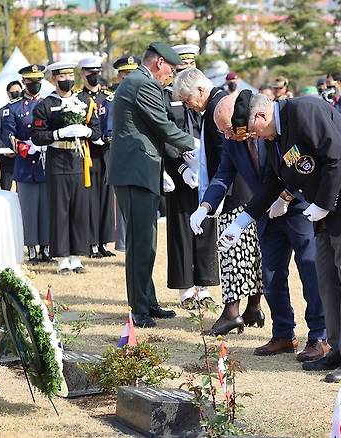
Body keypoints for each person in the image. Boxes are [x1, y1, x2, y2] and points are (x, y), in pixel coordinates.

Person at [218, 92, 341, 382]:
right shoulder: (274, 137)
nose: (253, 138)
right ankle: (336, 348)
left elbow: (336, 155)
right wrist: (242, 221)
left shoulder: (304, 110)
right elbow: (274, 181)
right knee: (327, 279)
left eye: (252, 130)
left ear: (261, 116)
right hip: (324, 205)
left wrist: (323, 203)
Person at [191, 92, 328, 361]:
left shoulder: (271, 130)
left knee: (310, 270)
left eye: (230, 130)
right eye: (223, 133)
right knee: (271, 275)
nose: (228, 137)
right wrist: (205, 206)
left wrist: (286, 196)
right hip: (264, 212)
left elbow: (300, 165)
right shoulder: (234, 140)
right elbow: (223, 174)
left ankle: (320, 335)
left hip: (298, 206)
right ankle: (283, 333)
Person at [107, 43, 198, 327]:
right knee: (140, 243)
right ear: (159, 62)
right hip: (135, 172)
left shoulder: (139, 81)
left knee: (147, 242)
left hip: (141, 170)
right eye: (170, 69)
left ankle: (148, 301)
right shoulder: (142, 83)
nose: (170, 75)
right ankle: (139, 309)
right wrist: (194, 145)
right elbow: (162, 124)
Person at [173, 68, 261, 336]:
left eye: (188, 99)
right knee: (251, 254)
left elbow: (227, 157)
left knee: (232, 253)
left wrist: (218, 197)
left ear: (200, 90)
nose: (188, 105)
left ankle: (232, 312)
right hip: (244, 190)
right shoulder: (217, 103)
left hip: (234, 192)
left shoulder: (217, 110)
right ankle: (253, 306)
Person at [162, 46, 219, 308]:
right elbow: (165, 134)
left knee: (206, 226)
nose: (186, 69)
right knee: (181, 229)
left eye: (190, 65)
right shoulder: (166, 97)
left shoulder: (205, 96)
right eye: (182, 65)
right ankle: (185, 289)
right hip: (178, 170)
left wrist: (201, 164)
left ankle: (205, 286)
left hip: (204, 168)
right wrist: (181, 167)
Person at [31, 61, 101, 275]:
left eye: (70, 75)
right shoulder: (45, 104)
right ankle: (62, 258)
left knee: (80, 209)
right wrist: (58, 133)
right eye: (62, 76)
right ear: (53, 79)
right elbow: (37, 136)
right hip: (57, 160)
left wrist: (87, 132)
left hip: (79, 160)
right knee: (60, 210)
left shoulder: (83, 100)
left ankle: (76, 256)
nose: (67, 80)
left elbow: (96, 131)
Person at [3, 65, 50, 263]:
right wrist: (25, 148)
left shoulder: (49, 103)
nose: (35, 85)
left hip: (46, 165)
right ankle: (31, 246)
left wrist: (46, 143)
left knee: (47, 208)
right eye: (31, 81)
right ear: (24, 83)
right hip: (25, 165)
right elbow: (8, 135)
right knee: (28, 209)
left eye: (38, 80)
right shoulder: (14, 108)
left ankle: (47, 247)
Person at [77, 56, 117, 259]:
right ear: (83, 74)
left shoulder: (107, 97)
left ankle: (103, 242)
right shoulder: (78, 99)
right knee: (90, 199)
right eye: (90, 74)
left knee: (106, 199)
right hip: (88, 155)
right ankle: (91, 242)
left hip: (107, 154)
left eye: (96, 73)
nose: (94, 77)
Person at [102, 55, 140, 253]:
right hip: (122, 156)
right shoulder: (112, 100)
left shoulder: (146, 96)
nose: (131, 79)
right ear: (119, 78)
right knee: (124, 201)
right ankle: (124, 244)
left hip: (142, 156)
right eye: (126, 76)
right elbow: (108, 132)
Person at [0, 81, 23, 191]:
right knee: (5, 187)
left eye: (18, 91)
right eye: (13, 92)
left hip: (23, 156)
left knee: (22, 188)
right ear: (8, 94)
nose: (16, 93)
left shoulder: (27, 111)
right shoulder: (0, 112)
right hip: (6, 158)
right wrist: (5, 150)